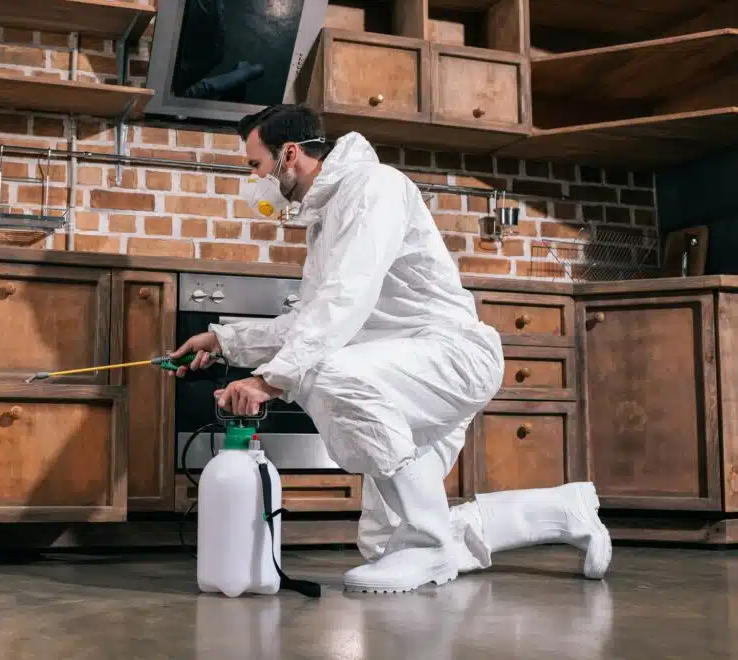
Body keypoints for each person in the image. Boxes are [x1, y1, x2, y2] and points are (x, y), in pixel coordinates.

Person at [169, 104, 611, 594]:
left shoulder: (372, 188)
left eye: (255, 165)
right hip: (403, 372)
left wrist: (269, 380)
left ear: (288, 155)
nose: (253, 180)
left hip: (448, 357)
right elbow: (311, 317)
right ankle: (562, 511)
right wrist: (225, 341)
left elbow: (345, 298)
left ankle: (428, 543)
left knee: (326, 372)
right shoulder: (328, 213)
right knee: (383, 543)